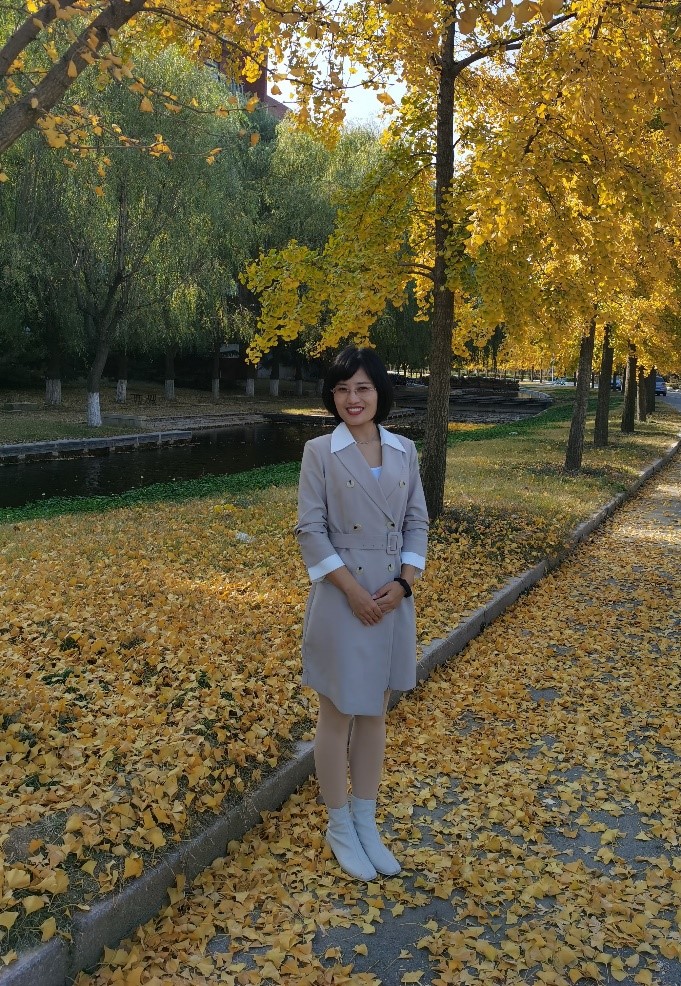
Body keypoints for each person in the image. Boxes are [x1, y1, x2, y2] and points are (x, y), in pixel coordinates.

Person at [295, 346, 429, 881]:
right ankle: (339, 825)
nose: (353, 399)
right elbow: (310, 530)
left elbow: (417, 522)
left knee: (375, 712)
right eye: (342, 389)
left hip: (391, 599)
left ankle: (366, 822)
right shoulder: (320, 452)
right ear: (332, 397)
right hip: (341, 596)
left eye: (363, 388)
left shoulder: (404, 450)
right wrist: (352, 592)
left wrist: (404, 584)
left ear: (380, 393)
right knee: (337, 714)